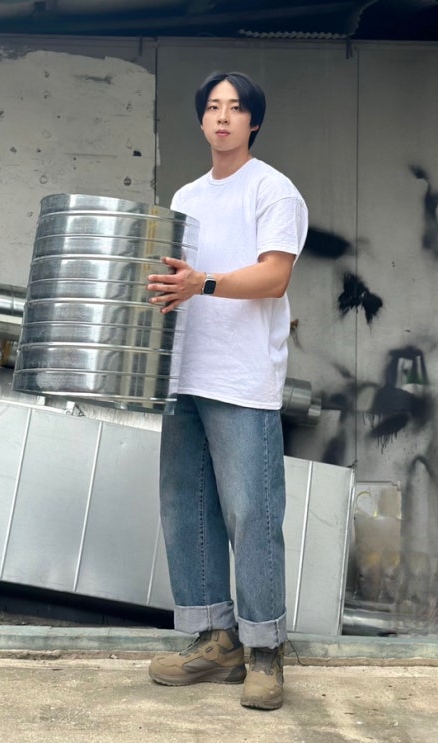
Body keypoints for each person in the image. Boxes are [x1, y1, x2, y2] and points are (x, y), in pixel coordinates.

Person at [145, 70, 308, 711]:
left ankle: (265, 651)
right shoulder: (187, 195)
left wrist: (203, 284)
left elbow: (274, 277)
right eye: (212, 107)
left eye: (235, 108)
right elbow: (174, 278)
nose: (222, 117)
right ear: (201, 119)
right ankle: (216, 642)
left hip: (243, 378)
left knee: (252, 515)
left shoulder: (273, 190)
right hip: (185, 374)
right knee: (187, 509)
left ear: (253, 121)